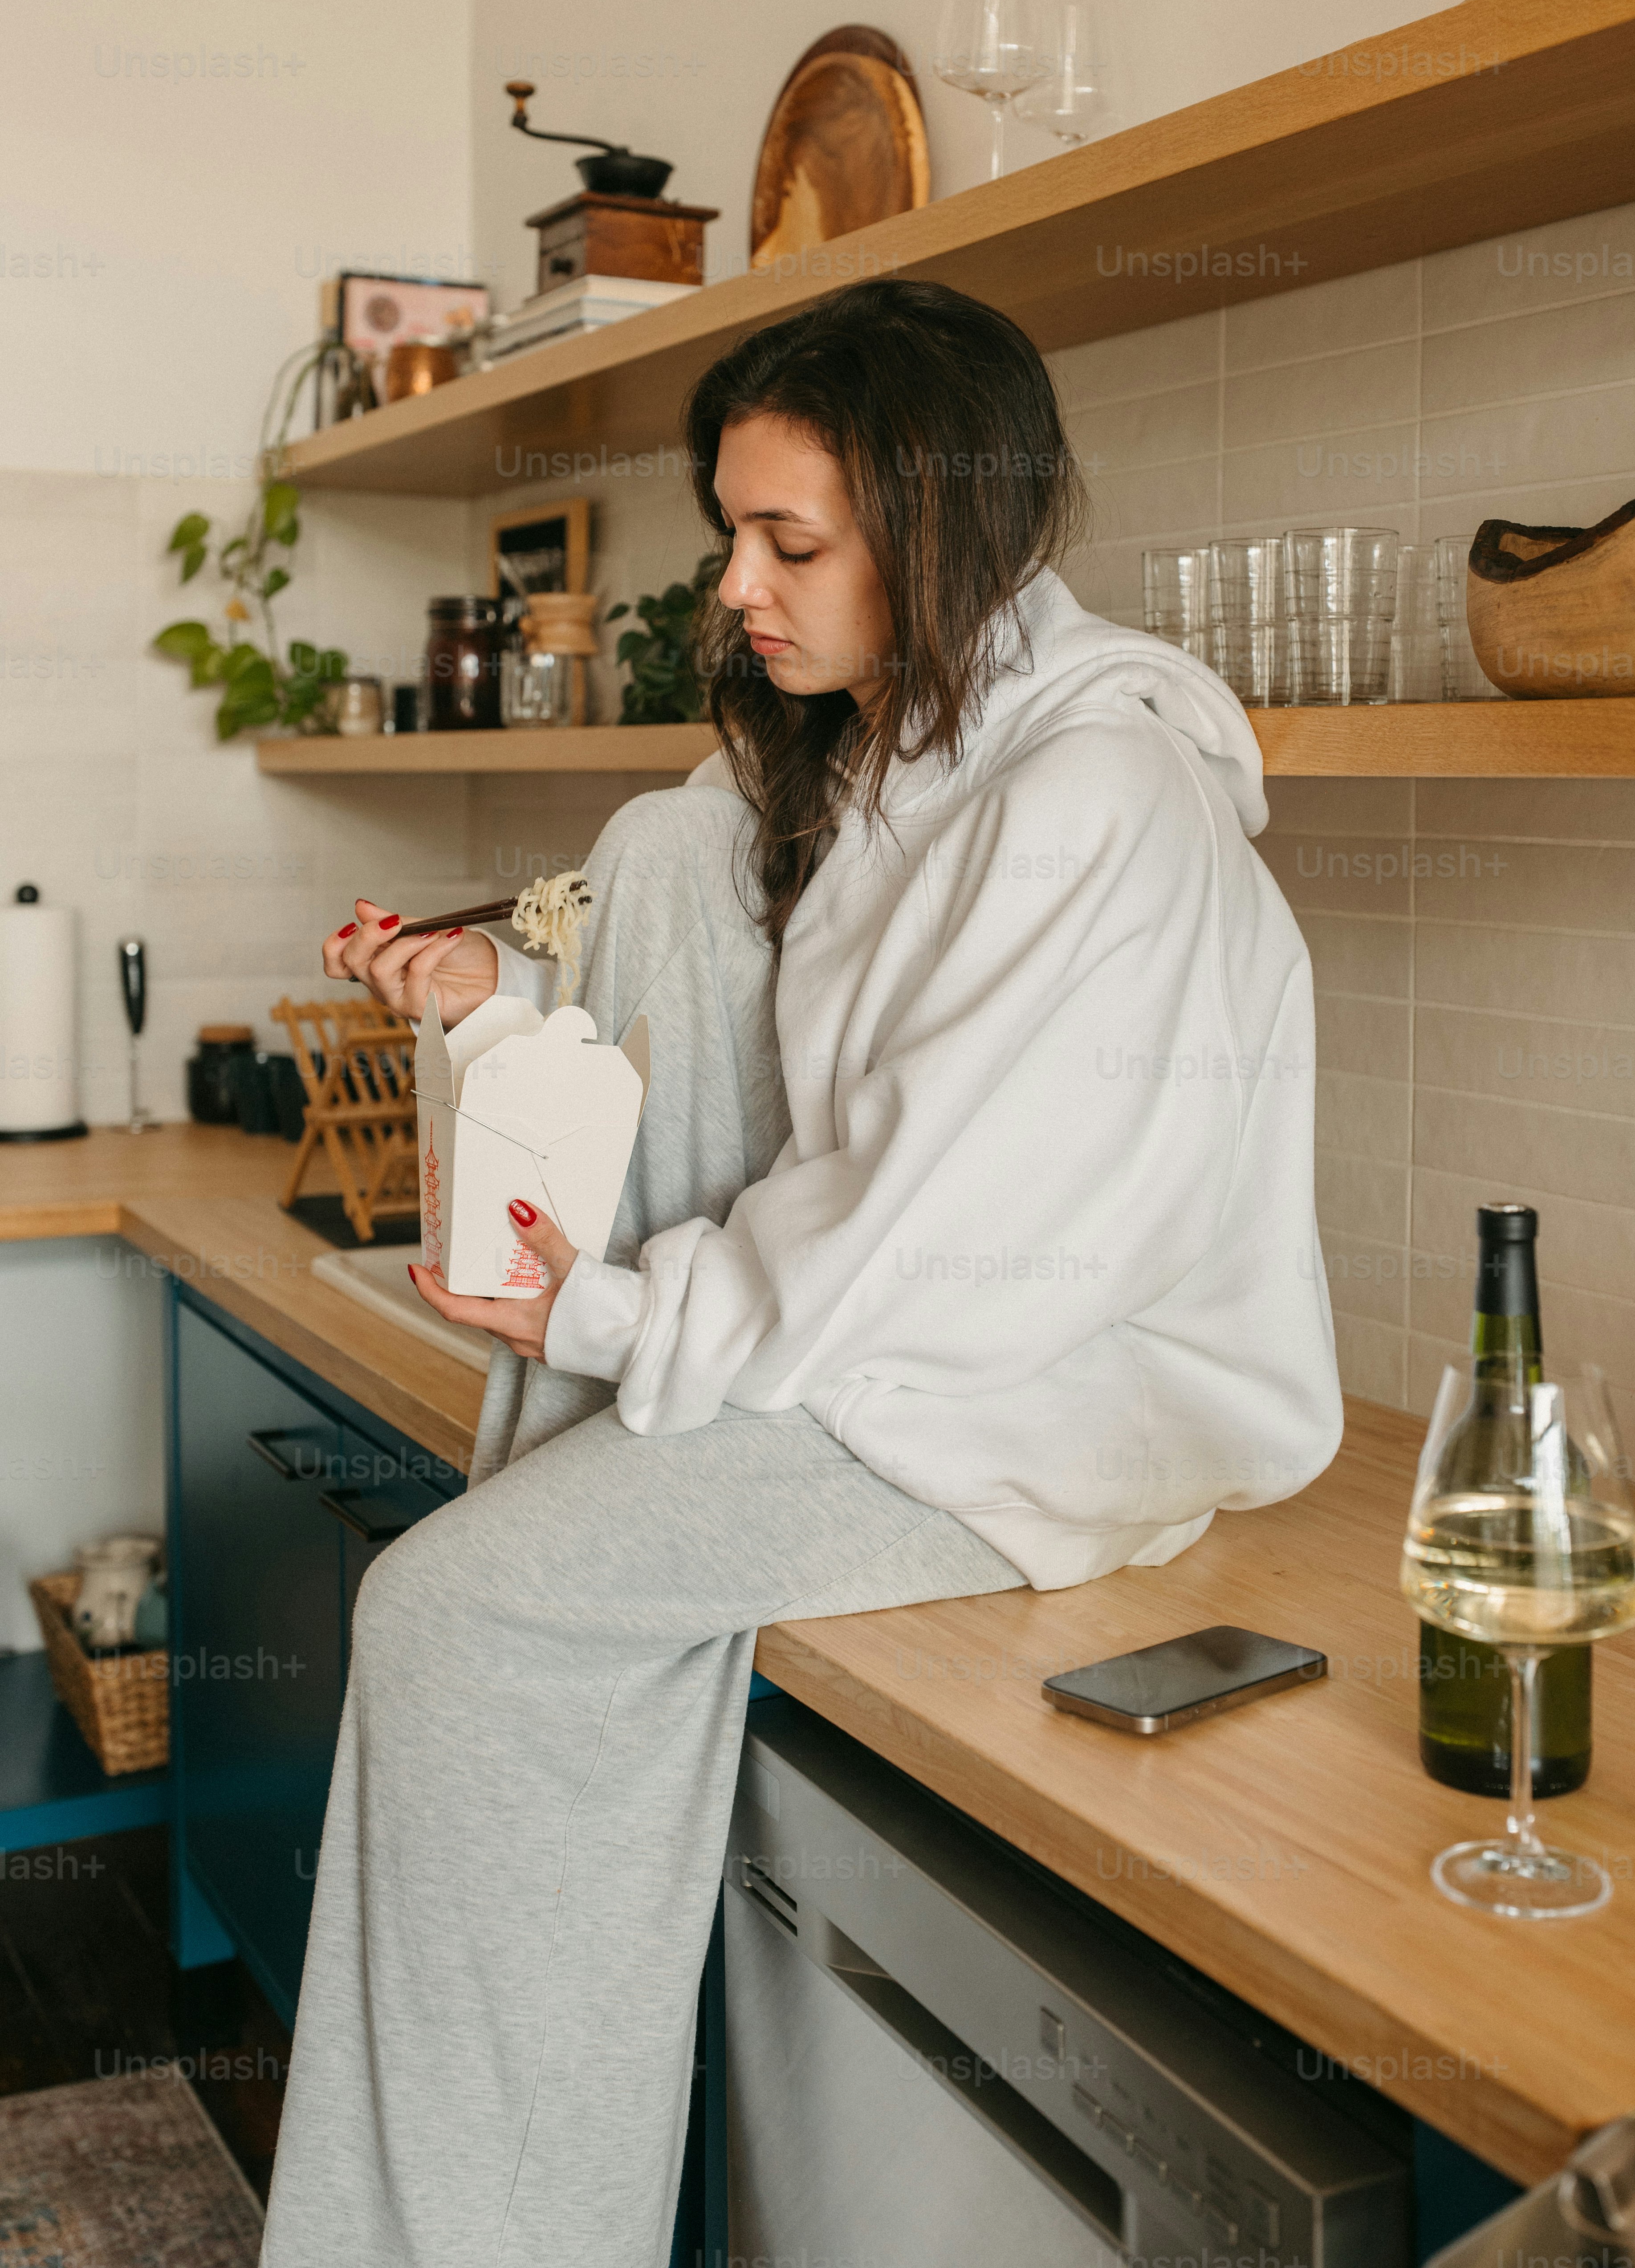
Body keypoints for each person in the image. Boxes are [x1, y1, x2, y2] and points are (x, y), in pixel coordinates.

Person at [260, 278, 1340, 2268]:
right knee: (466, 1612)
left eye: (793, 542)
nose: (740, 588)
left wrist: (605, 1316)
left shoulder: (1091, 801)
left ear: (944, 520)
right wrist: (494, 977)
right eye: (730, 535)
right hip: (884, 1349)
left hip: (1031, 1406)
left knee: (448, 1622)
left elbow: (937, 1230)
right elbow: (703, 964)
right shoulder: (884, 761)